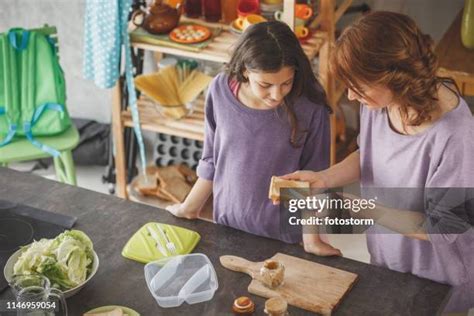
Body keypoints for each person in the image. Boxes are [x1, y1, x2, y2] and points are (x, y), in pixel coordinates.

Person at [283, 11, 474, 313]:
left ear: (392, 77)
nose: (351, 96)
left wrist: (362, 209)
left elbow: (442, 227)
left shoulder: (457, 135)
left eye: (357, 87)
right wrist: (324, 178)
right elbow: (369, 153)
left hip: (439, 281)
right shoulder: (378, 103)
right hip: (389, 259)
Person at [166, 21, 336, 252]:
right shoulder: (220, 90)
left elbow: (314, 178)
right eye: (265, 84)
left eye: (286, 83)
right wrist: (190, 207)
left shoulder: (310, 105)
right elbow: (212, 159)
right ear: (245, 70)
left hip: (283, 234)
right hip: (227, 221)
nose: (276, 94)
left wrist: (311, 240)